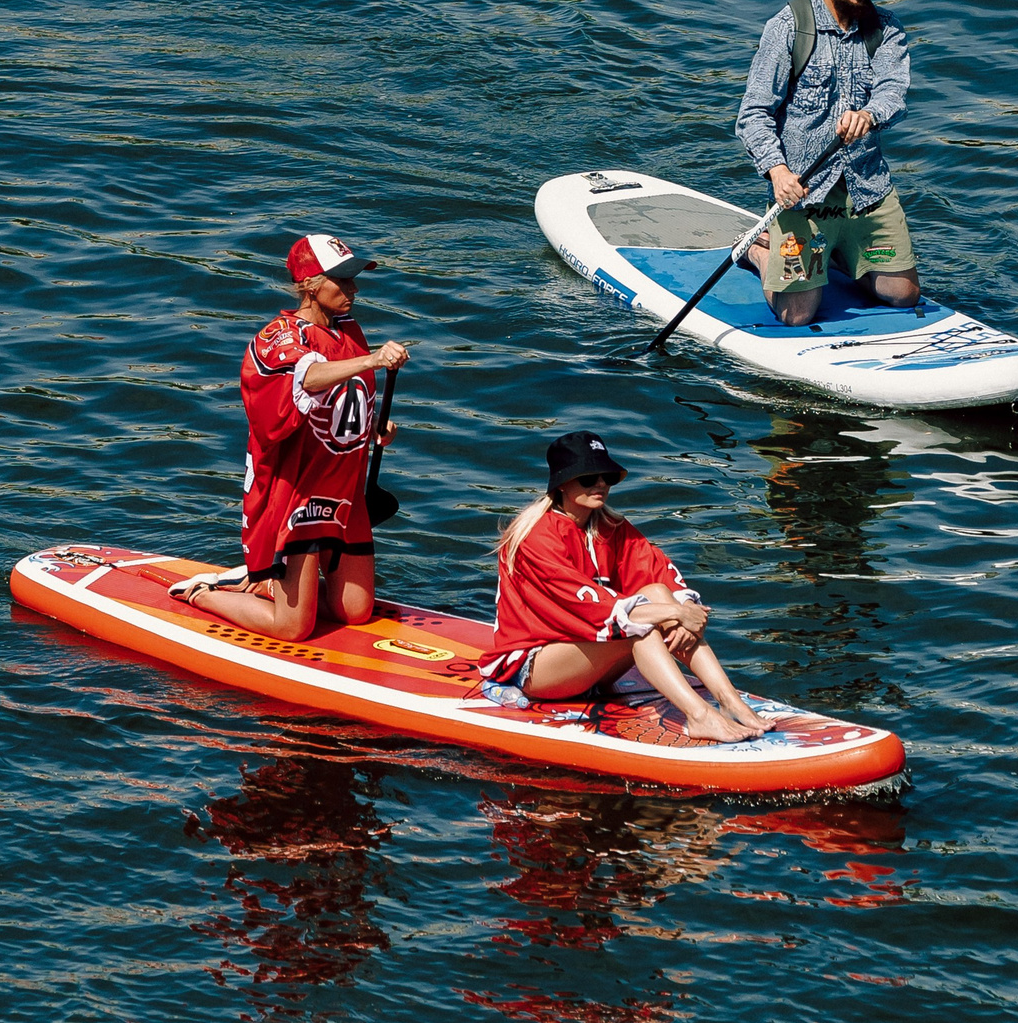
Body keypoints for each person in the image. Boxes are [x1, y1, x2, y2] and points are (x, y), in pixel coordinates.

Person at [171, 233, 410, 641]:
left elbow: (339, 398)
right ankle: (206, 592)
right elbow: (304, 379)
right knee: (293, 628)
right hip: (296, 496)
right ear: (312, 285)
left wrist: (372, 429)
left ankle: (268, 582)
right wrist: (370, 360)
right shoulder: (277, 337)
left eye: (354, 279)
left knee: (354, 612)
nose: (354, 289)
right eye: (343, 280)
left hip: (343, 490)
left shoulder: (349, 330)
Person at [479, 431, 772, 742]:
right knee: (639, 625)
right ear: (562, 484)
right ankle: (699, 716)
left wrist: (685, 609)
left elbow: (657, 570)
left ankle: (732, 703)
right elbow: (587, 608)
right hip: (533, 668)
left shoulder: (608, 527)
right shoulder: (536, 537)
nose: (601, 484)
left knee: (658, 595)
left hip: (588, 657)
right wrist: (674, 614)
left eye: (607, 476)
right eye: (589, 477)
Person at [736, 0, 922, 326]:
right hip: (802, 194)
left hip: (867, 187)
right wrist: (778, 172)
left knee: (903, 294)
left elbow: (894, 91)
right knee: (797, 316)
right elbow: (753, 114)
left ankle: (839, 253)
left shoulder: (886, 29)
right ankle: (758, 248)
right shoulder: (787, 28)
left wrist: (871, 114)